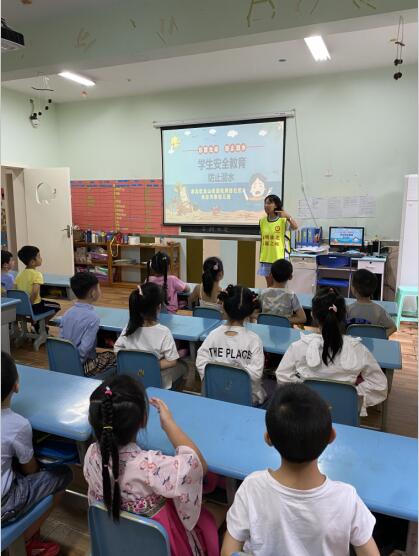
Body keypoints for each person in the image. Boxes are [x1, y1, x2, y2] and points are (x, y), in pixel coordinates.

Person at [221, 383, 380, 556]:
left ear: (268, 439)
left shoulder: (252, 487)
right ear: (331, 436)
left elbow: (228, 550)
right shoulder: (346, 498)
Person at [84, 375, 219, 556]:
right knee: (208, 520)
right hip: (160, 545)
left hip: (118, 541)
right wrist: (169, 423)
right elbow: (197, 465)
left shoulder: (91, 454)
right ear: (143, 420)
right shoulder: (150, 466)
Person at [1, 351, 73, 556]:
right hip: (4, 506)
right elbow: (30, 468)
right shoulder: (17, 424)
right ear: (17, 385)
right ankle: (26, 541)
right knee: (63, 474)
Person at [275, 288, 387, 416]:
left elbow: (282, 375)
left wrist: (305, 393)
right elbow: (380, 385)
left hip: (306, 417)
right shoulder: (358, 349)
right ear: (344, 315)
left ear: (313, 315)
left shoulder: (298, 347)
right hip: (345, 418)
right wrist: (351, 396)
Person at [196, 285, 266, 405]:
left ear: (223, 306)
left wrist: (221, 379)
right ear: (249, 311)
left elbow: (201, 362)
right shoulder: (254, 340)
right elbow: (256, 374)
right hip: (247, 399)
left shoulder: (213, 335)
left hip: (215, 394)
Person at [114, 283, 187, 389]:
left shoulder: (129, 328)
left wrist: (136, 365)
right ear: (159, 307)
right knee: (184, 367)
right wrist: (149, 366)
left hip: (132, 381)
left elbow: (117, 350)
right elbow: (172, 361)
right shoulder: (164, 332)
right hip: (158, 383)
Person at [59, 272, 116, 376]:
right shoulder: (93, 318)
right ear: (93, 293)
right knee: (113, 357)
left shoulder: (67, 313)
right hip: (81, 365)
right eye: (99, 288)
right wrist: (75, 367)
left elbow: (61, 339)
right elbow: (85, 349)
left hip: (65, 361)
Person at [258, 194, 298, 286]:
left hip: (280, 258)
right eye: (265, 203)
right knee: (269, 286)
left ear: (276, 205)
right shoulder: (262, 221)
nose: (266, 205)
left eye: (269, 203)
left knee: (281, 286)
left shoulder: (283, 220)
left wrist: (288, 216)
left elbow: (295, 227)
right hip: (266, 258)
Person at [347, 269, 397, 337]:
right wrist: (380, 337)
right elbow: (393, 327)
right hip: (372, 346)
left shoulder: (348, 309)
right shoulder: (379, 311)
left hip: (352, 345)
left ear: (354, 289)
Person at [15, 245, 60, 316]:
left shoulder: (19, 275)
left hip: (22, 306)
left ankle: (37, 323)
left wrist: (26, 306)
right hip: (35, 305)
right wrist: (29, 306)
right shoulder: (37, 274)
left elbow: (15, 290)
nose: (41, 258)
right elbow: (35, 292)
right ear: (32, 262)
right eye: (39, 256)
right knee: (57, 306)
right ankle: (40, 325)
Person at [259, 259, 306, 325]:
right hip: (285, 332)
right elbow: (302, 318)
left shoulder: (262, 293)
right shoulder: (291, 295)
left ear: (271, 275)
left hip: (267, 330)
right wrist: (284, 320)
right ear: (290, 277)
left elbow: (255, 313)